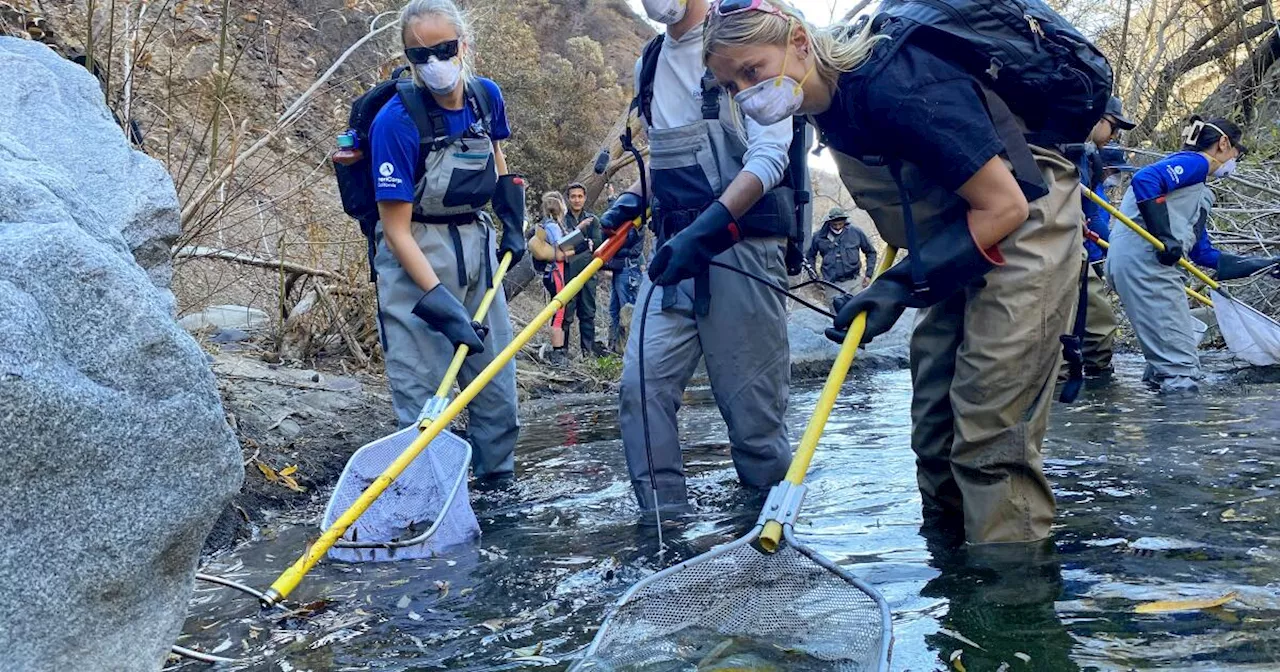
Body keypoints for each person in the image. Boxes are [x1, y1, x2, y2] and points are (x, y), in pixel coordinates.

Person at [702, 0, 1082, 545]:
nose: (745, 92)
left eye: (752, 70)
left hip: (1022, 218)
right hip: (953, 238)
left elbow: (1006, 206)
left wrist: (898, 285)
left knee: (988, 432)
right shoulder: (821, 111)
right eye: (731, 85)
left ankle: (1010, 601)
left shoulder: (893, 84)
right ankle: (954, 575)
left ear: (800, 42)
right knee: (934, 430)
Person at [595, 0, 801, 515]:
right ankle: (663, 532)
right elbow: (670, 158)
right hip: (672, 253)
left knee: (755, 420)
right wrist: (635, 200)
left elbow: (772, 155)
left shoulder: (743, 46)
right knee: (640, 392)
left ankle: (769, 539)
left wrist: (709, 228)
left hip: (743, 250)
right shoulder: (649, 61)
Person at [369, 0, 522, 485]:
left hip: (477, 247)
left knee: (495, 388)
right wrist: (438, 300)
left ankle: (497, 490)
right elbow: (394, 229)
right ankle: (427, 498)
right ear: (408, 58)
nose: (434, 61)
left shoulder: (485, 97)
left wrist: (513, 220)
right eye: (420, 54)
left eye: (444, 48)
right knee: (422, 397)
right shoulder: (394, 122)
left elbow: (497, 162)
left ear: (464, 46)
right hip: (415, 258)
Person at [1105, 116, 1267, 394]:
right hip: (1148, 267)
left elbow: (1203, 254)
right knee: (1182, 371)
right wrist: (1164, 236)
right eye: (1236, 155)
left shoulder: (1195, 191)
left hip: (1132, 265)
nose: (1234, 163)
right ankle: (1179, 431)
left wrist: (1265, 265)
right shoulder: (1196, 162)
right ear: (1223, 143)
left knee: (1163, 364)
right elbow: (1146, 178)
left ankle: (1161, 409)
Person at [1068, 98, 1134, 380]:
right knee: (1096, 324)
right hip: (1071, 251)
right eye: (1113, 127)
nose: (1115, 135)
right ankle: (1084, 378)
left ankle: (1093, 376)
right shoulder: (1067, 150)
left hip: (1086, 252)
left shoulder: (1086, 155)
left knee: (1090, 322)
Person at [529, 191, 578, 365]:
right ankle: (558, 353)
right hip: (556, 272)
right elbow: (561, 251)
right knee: (559, 310)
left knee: (559, 310)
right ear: (560, 207)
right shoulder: (553, 226)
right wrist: (579, 248)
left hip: (554, 272)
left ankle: (559, 350)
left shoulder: (546, 224)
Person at [562, 182, 606, 357]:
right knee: (565, 313)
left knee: (588, 313)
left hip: (588, 272)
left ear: (585, 198)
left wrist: (576, 243)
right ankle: (562, 351)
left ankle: (587, 353)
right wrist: (580, 240)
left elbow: (597, 244)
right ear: (568, 198)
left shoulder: (593, 220)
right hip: (567, 272)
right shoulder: (562, 219)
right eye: (573, 196)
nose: (576, 200)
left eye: (580, 196)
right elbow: (562, 245)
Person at [805, 206, 877, 304]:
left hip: (854, 282)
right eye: (835, 224)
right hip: (831, 283)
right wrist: (814, 277)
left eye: (840, 224)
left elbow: (871, 252)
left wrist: (868, 275)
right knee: (837, 315)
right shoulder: (818, 236)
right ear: (829, 222)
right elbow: (810, 256)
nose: (838, 226)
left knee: (858, 313)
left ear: (845, 221)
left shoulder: (856, 232)